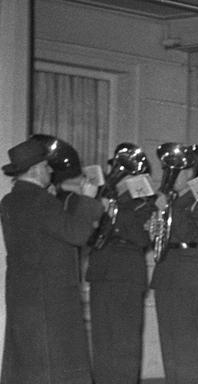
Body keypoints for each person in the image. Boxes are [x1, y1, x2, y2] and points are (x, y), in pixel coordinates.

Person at [1, 138, 103, 384]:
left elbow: (47, 234)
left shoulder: (10, 201)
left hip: (23, 294)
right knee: (56, 364)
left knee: (27, 361)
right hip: (50, 296)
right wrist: (89, 199)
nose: (50, 170)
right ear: (35, 169)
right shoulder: (41, 201)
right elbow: (77, 235)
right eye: (46, 166)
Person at [86, 144, 156, 384]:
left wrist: (114, 209)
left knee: (126, 343)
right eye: (115, 167)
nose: (116, 172)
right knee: (102, 341)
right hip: (100, 272)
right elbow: (87, 235)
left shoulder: (146, 200)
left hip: (127, 275)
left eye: (122, 169)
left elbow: (143, 237)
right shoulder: (102, 195)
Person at [150, 144, 198, 384]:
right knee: (169, 345)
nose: (169, 176)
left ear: (189, 173)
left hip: (188, 274)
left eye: (175, 171)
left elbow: (194, 235)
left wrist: (168, 211)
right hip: (167, 272)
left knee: (187, 347)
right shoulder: (173, 200)